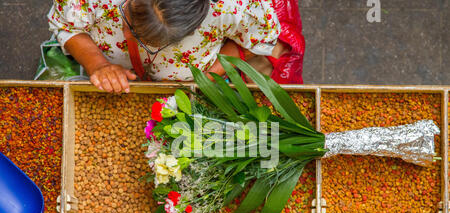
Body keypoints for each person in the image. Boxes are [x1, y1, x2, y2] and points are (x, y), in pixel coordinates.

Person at [48, 0, 304, 93]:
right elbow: (67, 25)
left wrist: (208, 78)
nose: (129, 36)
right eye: (129, 20)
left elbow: (255, 43)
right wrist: (99, 65)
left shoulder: (232, 8)